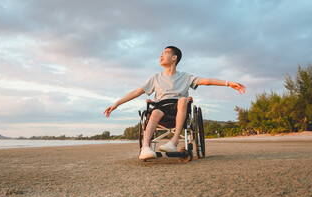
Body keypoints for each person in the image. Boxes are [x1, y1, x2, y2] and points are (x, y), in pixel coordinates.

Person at [104, 46, 246, 160]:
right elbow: (136, 92)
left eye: (164, 53)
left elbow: (207, 81)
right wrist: (117, 103)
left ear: (174, 57)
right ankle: (145, 149)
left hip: (179, 106)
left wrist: (228, 83)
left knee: (183, 100)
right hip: (161, 107)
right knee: (154, 113)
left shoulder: (185, 77)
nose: (161, 56)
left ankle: (174, 141)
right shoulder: (156, 77)